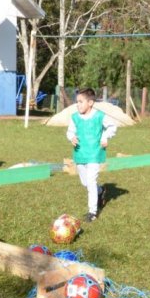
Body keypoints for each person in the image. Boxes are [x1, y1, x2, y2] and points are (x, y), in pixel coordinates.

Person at [66, 88, 117, 222]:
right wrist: (71, 137)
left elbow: (112, 126)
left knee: (91, 181)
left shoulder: (99, 116)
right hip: (80, 153)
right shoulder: (75, 117)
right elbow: (70, 132)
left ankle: (92, 212)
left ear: (90, 103)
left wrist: (105, 137)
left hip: (94, 153)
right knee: (85, 183)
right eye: (77, 102)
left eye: (81, 102)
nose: (78, 105)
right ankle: (100, 191)